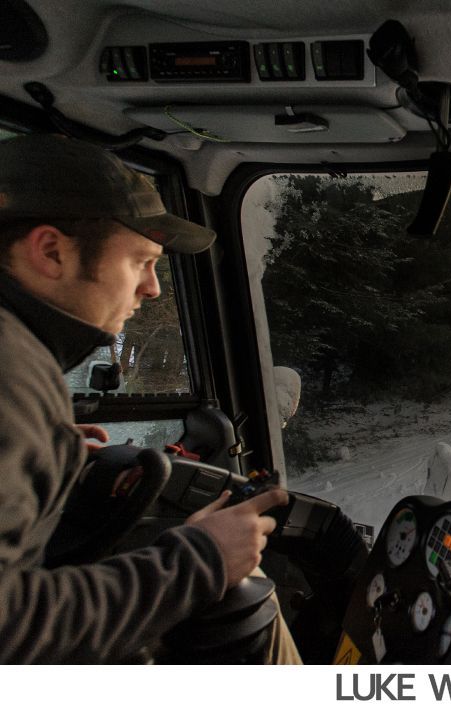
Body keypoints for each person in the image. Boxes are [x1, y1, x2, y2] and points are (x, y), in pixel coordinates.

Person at [0, 133, 295, 663]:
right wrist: (199, 562)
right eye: (140, 260)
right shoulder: (11, 373)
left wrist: (44, 450)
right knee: (240, 607)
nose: (153, 288)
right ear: (51, 252)